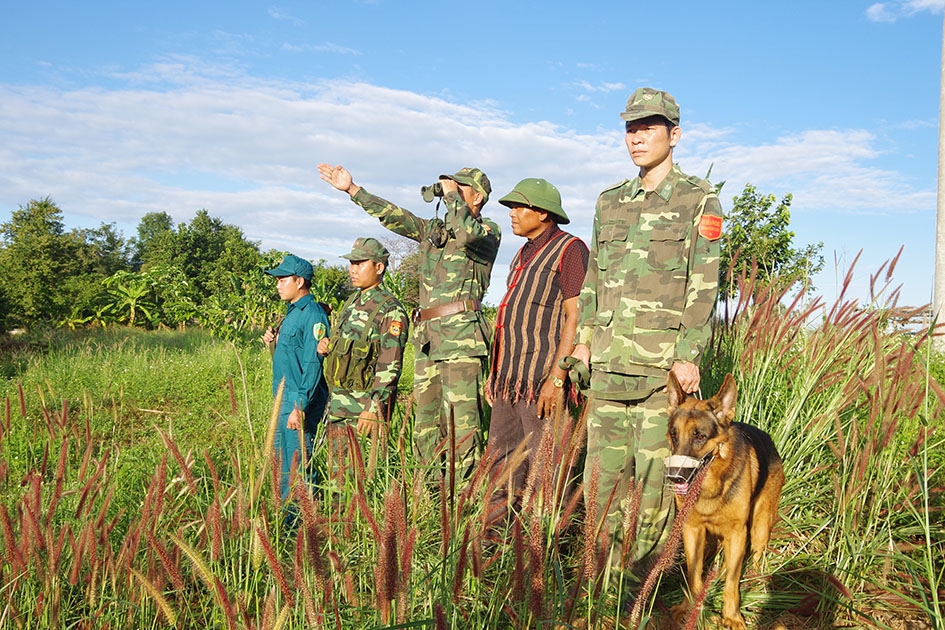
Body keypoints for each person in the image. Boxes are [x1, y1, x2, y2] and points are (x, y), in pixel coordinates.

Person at [568, 87, 723, 569]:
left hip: (662, 375)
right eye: (630, 128)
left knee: (656, 488)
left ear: (674, 135)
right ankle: (601, 587)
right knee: (602, 482)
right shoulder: (609, 202)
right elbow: (594, 279)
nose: (636, 137)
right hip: (610, 368)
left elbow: (704, 282)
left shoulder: (700, 199)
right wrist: (583, 344)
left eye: (648, 127)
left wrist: (687, 354)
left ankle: (641, 590)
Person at [317, 163, 500, 482]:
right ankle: (430, 500)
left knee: (463, 430)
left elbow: (467, 233)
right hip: (429, 340)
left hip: (462, 342)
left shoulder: (487, 232)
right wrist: (353, 190)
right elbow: (395, 216)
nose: (449, 189)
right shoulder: (435, 232)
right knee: (426, 430)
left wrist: (454, 198)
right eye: (449, 186)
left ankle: (464, 506)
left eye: (459, 186)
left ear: (478, 196)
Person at [485, 178, 588, 524]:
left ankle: (542, 557)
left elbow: (575, 316)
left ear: (542, 212)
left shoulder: (570, 250)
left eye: (519, 207)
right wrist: (494, 374)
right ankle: (495, 555)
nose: (512, 214)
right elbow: (509, 318)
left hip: (541, 384)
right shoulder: (521, 253)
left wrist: (557, 379)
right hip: (508, 383)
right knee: (499, 470)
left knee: (546, 477)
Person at [318, 238, 409, 491]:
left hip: (363, 413)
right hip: (337, 407)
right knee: (336, 482)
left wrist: (374, 408)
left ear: (379, 267)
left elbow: (390, 365)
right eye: (351, 263)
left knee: (361, 484)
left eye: (360, 263)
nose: (353, 269)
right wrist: (327, 346)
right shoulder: (351, 303)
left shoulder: (390, 310)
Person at [261, 254, 330, 513]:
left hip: (298, 400)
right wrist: (273, 341)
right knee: (282, 465)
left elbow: (313, 364)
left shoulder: (312, 315)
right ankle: (287, 520)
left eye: (282, 279)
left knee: (297, 466)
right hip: (284, 397)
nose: (278, 284)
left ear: (299, 281)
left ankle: (299, 526)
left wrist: (299, 406)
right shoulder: (292, 313)